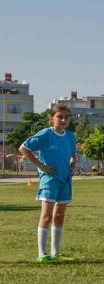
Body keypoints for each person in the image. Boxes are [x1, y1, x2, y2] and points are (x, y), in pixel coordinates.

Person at [18, 103, 78, 263]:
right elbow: (23, 148)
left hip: (65, 180)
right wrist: (41, 166)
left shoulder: (71, 136)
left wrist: (73, 166)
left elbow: (74, 155)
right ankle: (42, 254)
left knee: (59, 216)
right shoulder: (45, 134)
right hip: (49, 180)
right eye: (60, 117)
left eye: (66, 117)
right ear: (52, 119)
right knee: (46, 216)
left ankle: (56, 252)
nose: (64, 120)